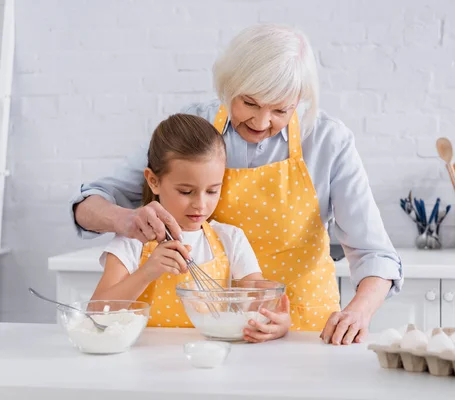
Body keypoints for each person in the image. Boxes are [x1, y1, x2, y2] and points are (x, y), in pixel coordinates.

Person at [71, 23, 403, 345]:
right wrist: (125, 220)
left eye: (280, 110)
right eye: (249, 103)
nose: (261, 122)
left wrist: (358, 312)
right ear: (228, 86)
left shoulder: (328, 142)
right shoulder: (197, 128)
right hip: (211, 332)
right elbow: (91, 202)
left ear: (299, 99)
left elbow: (374, 252)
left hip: (303, 330)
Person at [90, 113, 290, 343]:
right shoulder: (133, 241)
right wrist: (147, 272)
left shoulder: (230, 239)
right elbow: (96, 312)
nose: (201, 204)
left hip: (210, 359)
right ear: (153, 181)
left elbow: (257, 298)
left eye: (213, 190)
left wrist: (274, 321)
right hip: (145, 363)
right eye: (186, 191)